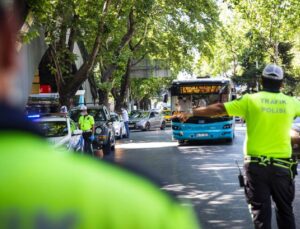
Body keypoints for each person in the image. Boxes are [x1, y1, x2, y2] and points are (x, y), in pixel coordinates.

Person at [0, 2, 199, 228]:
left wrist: (89, 128)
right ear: (9, 46)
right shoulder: (143, 204)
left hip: (86, 135)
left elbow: (91, 125)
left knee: (95, 148)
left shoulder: (88, 119)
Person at [177, 63, 299, 229]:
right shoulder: (292, 103)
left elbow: (220, 109)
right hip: (282, 168)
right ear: (282, 83)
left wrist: (192, 112)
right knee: (285, 212)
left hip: (256, 168)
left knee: (261, 215)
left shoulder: (250, 100)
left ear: (261, 81)